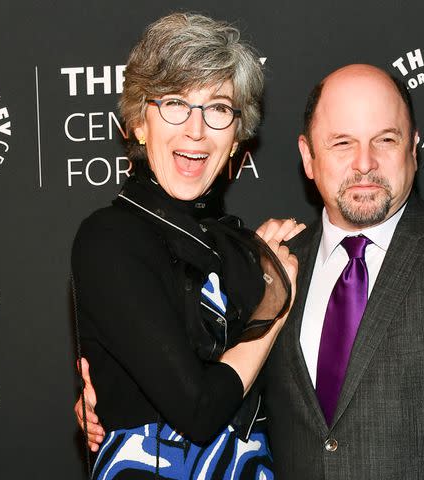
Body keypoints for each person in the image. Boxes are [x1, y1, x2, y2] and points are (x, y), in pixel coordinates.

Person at [78, 63, 424, 479]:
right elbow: (198, 377)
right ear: (308, 157)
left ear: (414, 148)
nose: (364, 164)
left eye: (385, 140)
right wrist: (113, 397)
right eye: (342, 143)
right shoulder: (272, 265)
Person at [71, 12, 302, 479]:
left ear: (237, 136)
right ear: (138, 123)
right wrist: (274, 309)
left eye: (217, 108)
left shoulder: (242, 247)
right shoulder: (109, 239)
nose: (196, 130)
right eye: (175, 103)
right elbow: (197, 409)